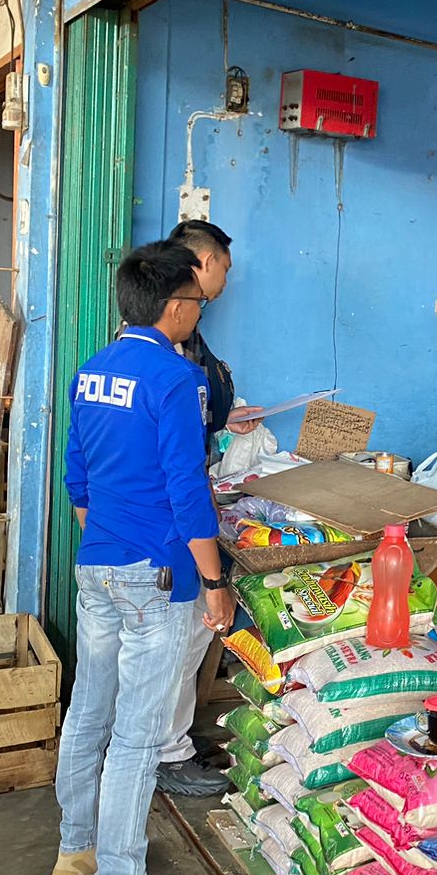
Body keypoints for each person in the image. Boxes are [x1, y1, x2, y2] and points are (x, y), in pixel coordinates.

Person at [52, 241, 237, 875]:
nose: (197, 312)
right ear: (172, 306)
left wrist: (112, 541)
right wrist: (213, 582)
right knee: (135, 736)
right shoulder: (171, 378)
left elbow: (79, 480)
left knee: (89, 714)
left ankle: (78, 854)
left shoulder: (91, 372)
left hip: (98, 562)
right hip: (156, 575)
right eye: (193, 301)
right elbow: (189, 492)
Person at [155, 217, 258, 798]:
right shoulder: (171, 350)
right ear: (202, 263)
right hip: (174, 514)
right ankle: (167, 753)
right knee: (190, 627)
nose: (223, 280)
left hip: (164, 512)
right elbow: (177, 457)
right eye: (222, 266)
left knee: (189, 634)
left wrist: (223, 419)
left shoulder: (178, 342)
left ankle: (175, 743)